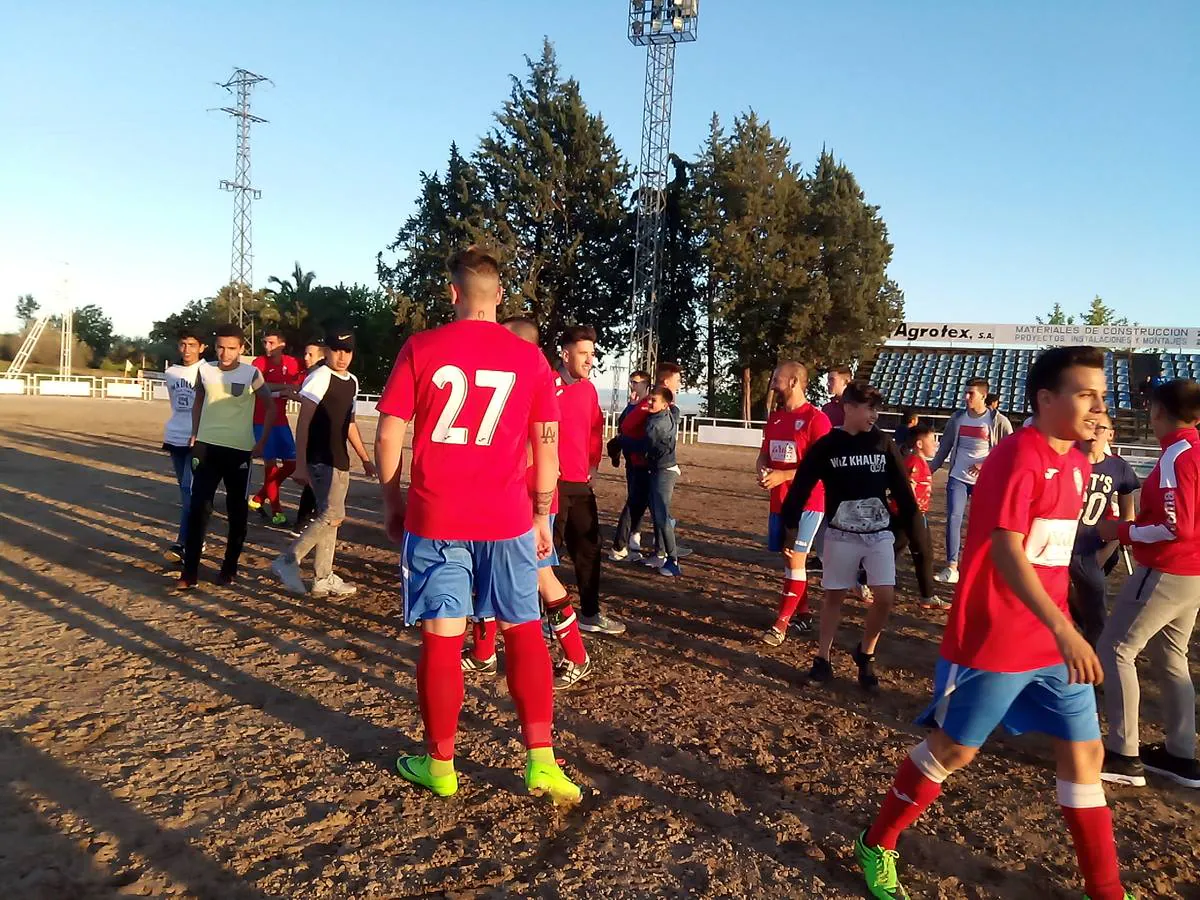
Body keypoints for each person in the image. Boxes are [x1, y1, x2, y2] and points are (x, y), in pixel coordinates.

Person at [854, 345, 1132, 900]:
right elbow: (1007, 550)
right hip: (996, 638)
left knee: (1086, 758)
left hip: (1055, 642)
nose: (1098, 407)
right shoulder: (1016, 457)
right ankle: (877, 842)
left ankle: (1107, 890)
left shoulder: (1078, 462)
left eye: (1101, 395)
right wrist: (1063, 627)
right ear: (1046, 399)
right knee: (953, 751)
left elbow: (1050, 550)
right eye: (1085, 395)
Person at [375, 245, 580, 804]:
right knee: (522, 630)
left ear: (453, 293)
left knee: (443, 640)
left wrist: (392, 501)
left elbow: (389, 432)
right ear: (499, 298)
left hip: (437, 515)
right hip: (509, 518)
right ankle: (541, 761)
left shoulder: (421, 347)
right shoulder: (531, 360)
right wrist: (542, 515)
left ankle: (440, 765)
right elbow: (547, 446)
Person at [462, 317, 594, 690]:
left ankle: (576, 656)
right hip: (498, 495)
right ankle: (484, 652)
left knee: (540, 576)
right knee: (482, 569)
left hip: (526, 498)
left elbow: (545, 450)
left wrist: (542, 507)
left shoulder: (540, 385)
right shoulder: (509, 381)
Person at [781, 381, 918, 690]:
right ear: (849, 407)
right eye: (869, 408)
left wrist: (914, 531)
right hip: (841, 535)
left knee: (885, 598)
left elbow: (902, 490)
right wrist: (789, 530)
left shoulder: (882, 444)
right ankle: (823, 658)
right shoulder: (827, 446)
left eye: (877, 409)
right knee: (834, 597)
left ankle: (866, 654)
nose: (874, 415)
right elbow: (801, 487)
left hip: (878, 534)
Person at [1098, 378, 1200, 790]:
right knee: (1172, 657)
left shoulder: (1178, 454)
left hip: (1167, 570)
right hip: (1191, 574)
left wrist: (1123, 532)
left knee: (1116, 649)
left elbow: (1176, 526)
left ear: (1158, 410)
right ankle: (1180, 753)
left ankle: (1124, 754)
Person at [272, 328, 376, 598]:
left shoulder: (351, 381)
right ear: (326, 351)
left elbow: (349, 423)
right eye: (336, 350)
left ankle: (323, 578)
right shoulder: (318, 378)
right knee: (332, 515)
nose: (342, 357)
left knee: (330, 519)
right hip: (320, 459)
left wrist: (364, 459)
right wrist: (301, 463)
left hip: (339, 458)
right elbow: (304, 422)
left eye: (347, 351)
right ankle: (288, 560)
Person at [179, 324, 274, 589]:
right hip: (206, 448)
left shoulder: (252, 373)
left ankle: (229, 568)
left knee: (237, 512)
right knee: (199, 510)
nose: (225, 353)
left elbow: (270, 407)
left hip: (239, 451)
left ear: (242, 349)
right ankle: (189, 573)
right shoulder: (205, 370)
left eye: (232, 348)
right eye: (221, 346)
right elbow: (199, 399)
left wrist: (261, 441)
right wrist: (195, 433)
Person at [756, 361, 832, 644]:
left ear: (793, 382)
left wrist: (783, 475)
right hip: (780, 501)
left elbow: (823, 466)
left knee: (796, 558)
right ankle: (804, 614)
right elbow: (764, 454)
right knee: (789, 560)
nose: (773, 382)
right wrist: (763, 469)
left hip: (809, 502)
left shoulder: (816, 419)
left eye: (777, 378)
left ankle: (780, 625)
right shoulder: (775, 418)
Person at [552, 325, 613, 636]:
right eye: (584, 354)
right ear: (565, 354)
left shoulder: (588, 389)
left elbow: (594, 429)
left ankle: (590, 613)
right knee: (548, 551)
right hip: (551, 484)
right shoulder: (547, 385)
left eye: (592, 354)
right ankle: (542, 618)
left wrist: (593, 463)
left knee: (589, 547)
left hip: (580, 483)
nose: (590, 360)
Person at [930, 378, 1014, 585]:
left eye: (971, 394)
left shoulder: (998, 421)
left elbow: (1010, 451)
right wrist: (928, 471)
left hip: (985, 481)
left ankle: (980, 567)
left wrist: (985, 464)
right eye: (965, 392)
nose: (966, 397)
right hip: (957, 477)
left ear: (983, 396)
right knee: (953, 518)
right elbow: (945, 447)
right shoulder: (958, 418)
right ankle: (952, 566)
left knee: (983, 524)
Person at [1068, 414, 1138, 647]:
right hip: (1057, 547)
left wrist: (1105, 553)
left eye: (1101, 428)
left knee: (1096, 618)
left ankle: (1097, 677)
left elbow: (1128, 518)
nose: (1094, 432)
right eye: (1089, 426)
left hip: (1090, 552)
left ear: (1111, 434)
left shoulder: (1119, 468)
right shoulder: (1064, 460)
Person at [611, 361, 684, 568]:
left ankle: (661, 552)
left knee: (652, 509)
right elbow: (629, 429)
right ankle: (658, 552)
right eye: (677, 380)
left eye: (637, 382)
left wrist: (621, 442)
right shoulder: (649, 407)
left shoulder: (661, 409)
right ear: (667, 381)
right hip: (645, 466)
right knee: (646, 507)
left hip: (656, 467)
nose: (633, 386)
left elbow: (643, 439)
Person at [248, 328, 304, 527]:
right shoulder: (258, 363)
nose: (267, 347)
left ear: (282, 344)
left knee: (292, 464)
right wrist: (283, 389)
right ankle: (277, 510)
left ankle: (259, 497)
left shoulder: (293, 363)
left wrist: (290, 390)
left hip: (281, 421)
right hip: (260, 421)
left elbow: (299, 386)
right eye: (265, 343)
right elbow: (259, 387)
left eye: (271, 343)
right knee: (270, 466)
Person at [161, 329, 207, 561]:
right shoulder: (170, 372)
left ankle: (183, 542)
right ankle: (198, 538)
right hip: (175, 437)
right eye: (183, 344)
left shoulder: (208, 371)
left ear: (202, 347)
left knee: (190, 491)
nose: (187, 349)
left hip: (198, 438)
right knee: (185, 491)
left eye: (192, 344)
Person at [894, 424, 944, 611]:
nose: (935, 444)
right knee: (921, 554)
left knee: (910, 551)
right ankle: (927, 596)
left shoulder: (920, 462)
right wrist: (910, 513)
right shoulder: (913, 462)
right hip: (910, 515)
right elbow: (907, 489)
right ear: (919, 444)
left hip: (915, 514)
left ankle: (927, 595)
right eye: (932, 440)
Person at [606, 370, 652, 553]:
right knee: (635, 501)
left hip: (640, 459)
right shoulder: (634, 405)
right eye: (631, 382)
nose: (632, 386)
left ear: (646, 385)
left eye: (636, 382)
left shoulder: (647, 404)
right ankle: (621, 544)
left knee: (640, 500)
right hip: (635, 461)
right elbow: (623, 424)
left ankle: (633, 536)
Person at [645, 386, 682, 577]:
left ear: (664, 404)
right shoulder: (670, 414)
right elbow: (676, 412)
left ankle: (673, 561)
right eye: (650, 399)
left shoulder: (655, 425)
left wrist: (622, 440)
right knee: (658, 513)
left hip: (663, 471)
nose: (649, 403)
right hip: (664, 469)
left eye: (654, 400)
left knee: (661, 516)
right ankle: (660, 553)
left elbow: (645, 446)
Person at [291, 339, 327, 535]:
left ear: (322, 356)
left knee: (317, 480)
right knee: (315, 480)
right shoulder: (313, 375)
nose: (305, 358)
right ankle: (303, 521)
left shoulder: (320, 375)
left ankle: (307, 518)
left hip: (322, 435)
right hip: (314, 435)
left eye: (310, 354)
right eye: (305, 353)